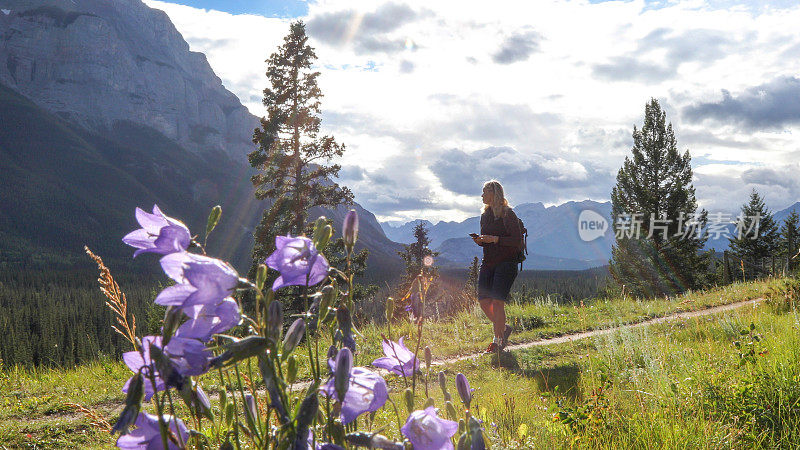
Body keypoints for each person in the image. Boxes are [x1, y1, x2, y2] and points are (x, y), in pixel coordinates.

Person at [471, 180, 522, 352]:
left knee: (498, 303)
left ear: (494, 194)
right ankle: (503, 327)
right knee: (484, 302)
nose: (482, 196)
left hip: (507, 263)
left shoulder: (508, 214)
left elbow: (517, 241)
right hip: (488, 262)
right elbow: (487, 241)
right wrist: (481, 241)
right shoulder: (485, 215)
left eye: (485, 192)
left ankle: (497, 342)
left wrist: (495, 239)